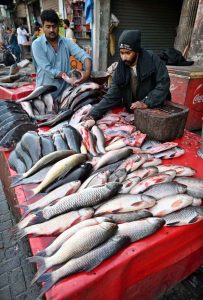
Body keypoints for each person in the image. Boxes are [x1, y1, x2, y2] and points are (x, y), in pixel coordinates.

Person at [85, 29, 171, 122]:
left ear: (136, 51)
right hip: (135, 111)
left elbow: (163, 83)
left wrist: (147, 102)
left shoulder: (152, 60)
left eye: (128, 53)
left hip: (156, 108)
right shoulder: (121, 68)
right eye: (122, 53)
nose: (124, 57)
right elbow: (112, 95)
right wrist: (93, 115)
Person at [32, 9, 92, 99]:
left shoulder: (67, 42)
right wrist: (67, 77)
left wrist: (87, 73)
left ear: (58, 26)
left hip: (64, 94)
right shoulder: (37, 44)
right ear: (42, 27)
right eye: (48, 27)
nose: (52, 30)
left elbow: (83, 55)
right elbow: (48, 70)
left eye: (54, 26)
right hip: (44, 95)